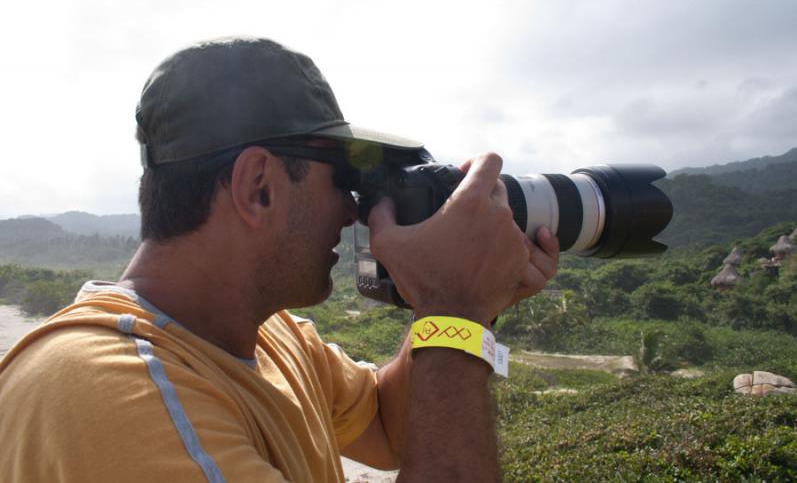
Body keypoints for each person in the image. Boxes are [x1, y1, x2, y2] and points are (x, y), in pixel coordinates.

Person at [0, 37, 559, 482]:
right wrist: (453, 302)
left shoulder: (274, 338)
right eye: (344, 178)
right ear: (260, 187)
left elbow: (392, 432)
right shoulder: (108, 394)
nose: (352, 208)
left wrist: (470, 304)